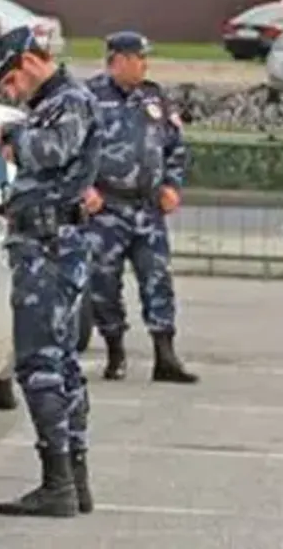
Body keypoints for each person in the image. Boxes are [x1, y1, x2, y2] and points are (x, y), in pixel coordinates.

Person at [0, 26, 100, 518]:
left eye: (9, 80)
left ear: (29, 62)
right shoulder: (55, 103)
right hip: (45, 242)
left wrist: (15, 137)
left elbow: (53, 151)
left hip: (48, 247)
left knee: (40, 364)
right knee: (60, 362)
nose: (10, 92)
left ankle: (58, 484)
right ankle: (72, 479)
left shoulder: (69, 101)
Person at [84, 31, 199, 384]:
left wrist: (172, 186)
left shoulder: (154, 97)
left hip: (147, 209)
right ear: (119, 59)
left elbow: (175, 147)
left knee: (158, 279)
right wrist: (83, 189)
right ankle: (115, 349)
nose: (144, 64)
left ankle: (165, 355)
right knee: (103, 283)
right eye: (139, 58)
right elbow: (71, 150)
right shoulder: (88, 98)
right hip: (107, 209)